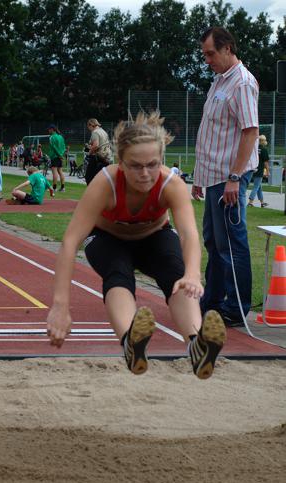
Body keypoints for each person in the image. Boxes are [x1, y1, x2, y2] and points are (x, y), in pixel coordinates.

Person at [47, 111, 226, 379]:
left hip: (154, 236)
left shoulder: (171, 184)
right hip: (107, 238)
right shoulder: (105, 183)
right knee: (118, 271)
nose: (145, 174)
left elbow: (189, 234)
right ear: (120, 162)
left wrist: (192, 274)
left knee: (176, 273)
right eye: (135, 166)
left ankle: (196, 344)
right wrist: (60, 306)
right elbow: (71, 241)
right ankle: (131, 343)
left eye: (152, 164)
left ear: (162, 161)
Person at [191, 27, 259, 328]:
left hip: (229, 177)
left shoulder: (242, 83)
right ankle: (214, 300)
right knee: (212, 241)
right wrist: (198, 176)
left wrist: (234, 177)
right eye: (204, 54)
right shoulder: (220, 80)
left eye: (210, 54)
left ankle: (237, 307)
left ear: (228, 48)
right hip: (213, 176)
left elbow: (250, 131)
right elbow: (212, 132)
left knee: (231, 243)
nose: (207, 60)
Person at [85, 118, 112, 185]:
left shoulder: (95, 132)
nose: (89, 129)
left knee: (88, 177)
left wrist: (89, 152)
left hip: (98, 157)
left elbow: (96, 145)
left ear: (91, 125)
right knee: (101, 178)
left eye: (88, 127)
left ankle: (93, 193)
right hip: (106, 157)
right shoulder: (103, 131)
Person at [248, 135, 269, 208]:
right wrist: (267, 171)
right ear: (263, 141)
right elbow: (266, 162)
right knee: (256, 186)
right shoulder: (264, 149)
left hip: (253, 169)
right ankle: (250, 202)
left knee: (259, 187)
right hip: (260, 170)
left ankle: (262, 202)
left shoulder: (254, 148)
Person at [47, 124, 66, 192]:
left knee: (54, 172)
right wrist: (61, 155)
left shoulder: (52, 137)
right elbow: (64, 147)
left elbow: (54, 147)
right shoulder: (61, 136)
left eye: (49, 129)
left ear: (52, 129)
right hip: (60, 156)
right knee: (60, 171)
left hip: (55, 156)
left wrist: (59, 155)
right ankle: (63, 188)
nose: (48, 130)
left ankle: (54, 188)